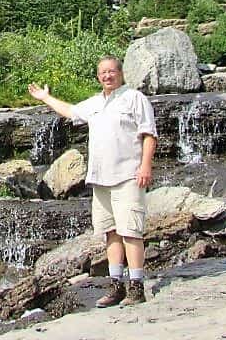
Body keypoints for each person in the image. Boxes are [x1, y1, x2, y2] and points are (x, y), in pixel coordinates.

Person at [28, 54, 157, 307]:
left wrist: (145, 166)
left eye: (112, 71)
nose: (107, 76)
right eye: (103, 73)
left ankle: (136, 288)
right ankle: (116, 285)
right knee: (110, 233)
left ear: (120, 73)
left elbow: (149, 134)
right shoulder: (96, 102)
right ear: (98, 77)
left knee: (131, 232)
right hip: (100, 179)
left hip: (128, 175)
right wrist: (45, 98)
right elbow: (70, 111)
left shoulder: (135, 99)